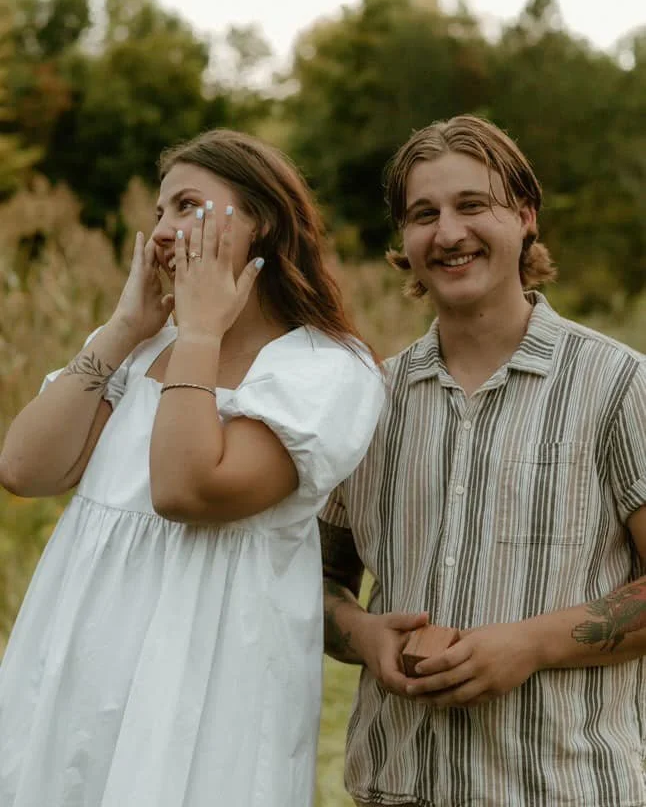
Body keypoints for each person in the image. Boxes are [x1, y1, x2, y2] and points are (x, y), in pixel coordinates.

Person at [0, 129, 385, 807]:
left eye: (185, 207)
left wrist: (202, 334)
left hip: (204, 674)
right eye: (158, 214)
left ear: (261, 221)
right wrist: (123, 329)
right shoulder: (143, 345)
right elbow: (24, 467)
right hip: (80, 651)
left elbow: (186, 488)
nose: (162, 233)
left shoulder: (324, 368)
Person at [319, 114, 646, 807]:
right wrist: (365, 635)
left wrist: (531, 644)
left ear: (525, 218)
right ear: (402, 243)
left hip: (566, 789)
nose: (448, 232)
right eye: (423, 214)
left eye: (473, 205)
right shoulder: (365, 399)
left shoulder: (619, 385)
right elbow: (312, 583)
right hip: (395, 787)